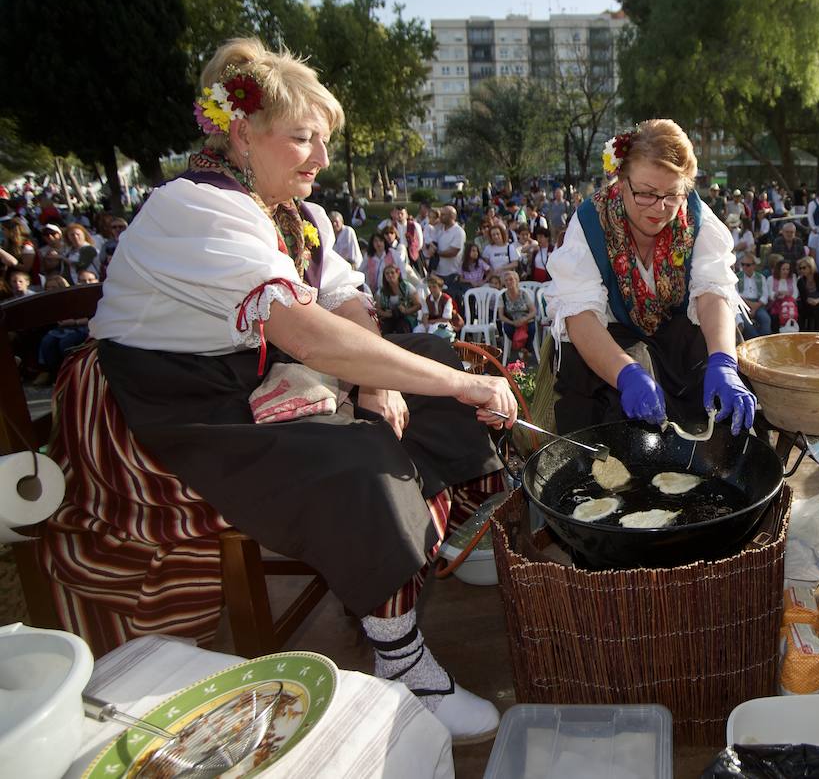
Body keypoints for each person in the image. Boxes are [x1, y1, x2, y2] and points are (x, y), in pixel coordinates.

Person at [84, 38, 517, 742]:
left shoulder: (300, 217)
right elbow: (308, 335)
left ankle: (432, 542)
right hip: (189, 405)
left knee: (430, 360)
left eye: (323, 140)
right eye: (302, 139)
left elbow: (345, 303)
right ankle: (400, 657)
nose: (320, 158)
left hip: (267, 370)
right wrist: (409, 378)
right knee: (356, 460)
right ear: (241, 133)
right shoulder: (191, 207)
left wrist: (373, 375)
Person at [545, 120, 755, 434]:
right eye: (645, 193)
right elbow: (581, 316)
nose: (659, 208)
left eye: (673, 194)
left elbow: (712, 293)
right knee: (603, 408)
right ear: (620, 179)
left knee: (723, 351)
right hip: (610, 339)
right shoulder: (590, 223)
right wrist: (626, 374)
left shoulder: (698, 220)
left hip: (677, 338)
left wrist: (723, 362)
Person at [496, 270, 537, 361]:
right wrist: (513, 322)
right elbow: (501, 316)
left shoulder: (524, 294)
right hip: (511, 321)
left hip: (525, 320)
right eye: (506, 280)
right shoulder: (502, 296)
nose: (508, 282)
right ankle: (521, 349)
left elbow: (533, 311)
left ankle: (526, 350)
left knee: (532, 328)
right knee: (508, 329)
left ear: (516, 281)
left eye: (511, 279)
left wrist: (524, 319)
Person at [735, 254, 772, 339]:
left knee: (765, 319)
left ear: (754, 265)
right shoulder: (737, 277)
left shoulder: (761, 277)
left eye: (747, 265)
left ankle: (765, 341)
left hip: (758, 304)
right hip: (742, 304)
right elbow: (736, 295)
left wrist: (755, 307)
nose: (744, 267)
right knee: (746, 323)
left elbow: (765, 295)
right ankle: (755, 341)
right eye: (743, 264)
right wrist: (749, 305)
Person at [416, 274, 460, 342]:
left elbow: (446, 318)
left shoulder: (446, 299)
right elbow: (425, 314)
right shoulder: (427, 299)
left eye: (434, 287)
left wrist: (431, 322)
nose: (432, 289)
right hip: (431, 323)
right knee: (417, 330)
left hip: (443, 324)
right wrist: (426, 325)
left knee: (433, 330)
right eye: (430, 287)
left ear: (440, 288)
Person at [767, 259, 800, 331]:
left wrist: (787, 295)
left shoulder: (793, 277)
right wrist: (777, 294)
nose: (786, 271)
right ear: (778, 269)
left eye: (787, 269)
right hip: (776, 304)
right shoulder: (771, 279)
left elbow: (795, 294)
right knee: (775, 316)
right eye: (783, 269)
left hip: (790, 304)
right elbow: (769, 294)